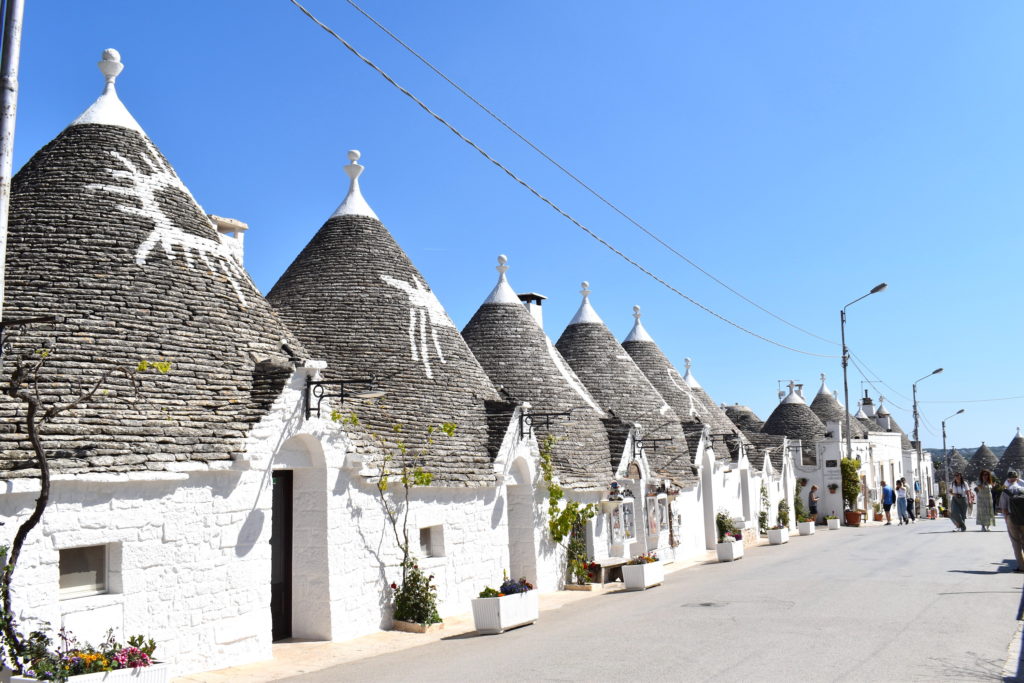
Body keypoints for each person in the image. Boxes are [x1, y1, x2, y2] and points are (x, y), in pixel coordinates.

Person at [998, 472, 1024, 572]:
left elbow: (1003, 509)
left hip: (1011, 518)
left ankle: (1022, 567)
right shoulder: (1023, 489)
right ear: (1017, 479)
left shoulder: (1006, 491)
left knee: (1016, 543)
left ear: (1008, 480)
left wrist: (1007, 520)